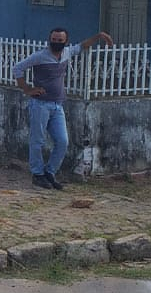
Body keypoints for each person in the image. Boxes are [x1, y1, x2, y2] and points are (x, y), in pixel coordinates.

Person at [13, 27, 113, 190]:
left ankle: (50, 172)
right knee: (37, 140)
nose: (56, 42)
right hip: (40, 104)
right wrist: (27, 89)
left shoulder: (66, 53)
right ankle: (37, 174)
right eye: (54, 39)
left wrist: (100, 36)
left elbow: (82, 46)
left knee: (62, 141)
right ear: (49, 39)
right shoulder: (40, 56)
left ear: (65, 41)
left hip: (57, 105)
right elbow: (18, 68)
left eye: (60, 40)